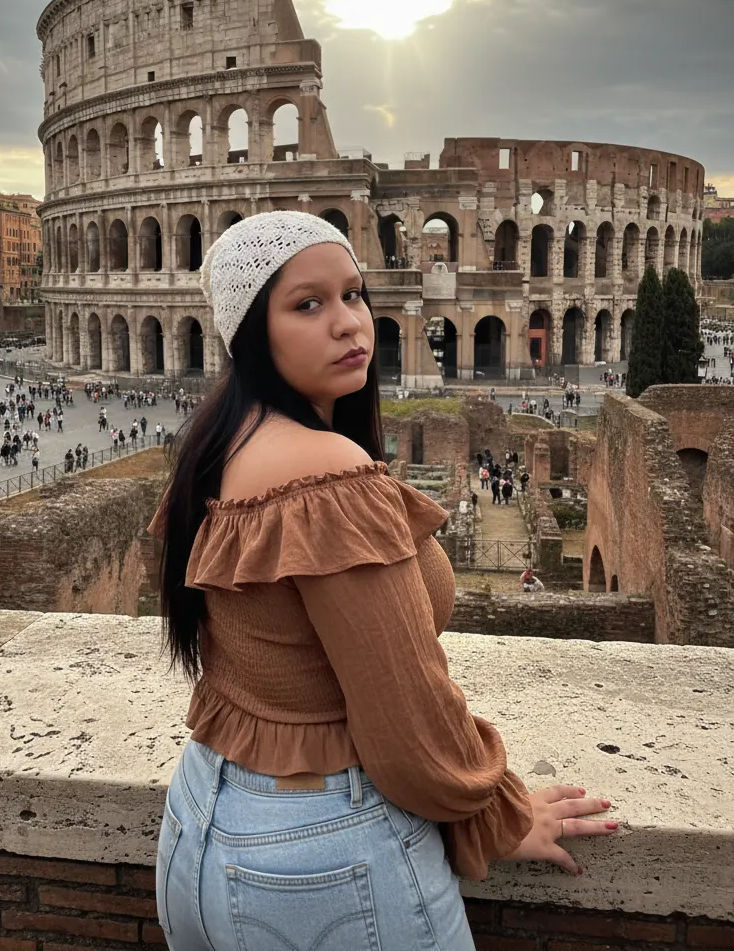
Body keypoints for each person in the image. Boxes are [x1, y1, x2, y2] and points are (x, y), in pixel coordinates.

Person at [149, 211, 615, 949]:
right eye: (307, 304)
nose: (348, 323)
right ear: (250, 332)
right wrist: (501, 814)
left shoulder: (218, 447)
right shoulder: (323, 474)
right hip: (324, 855)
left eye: (354, 295)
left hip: (202, 824)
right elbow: (409, 722)